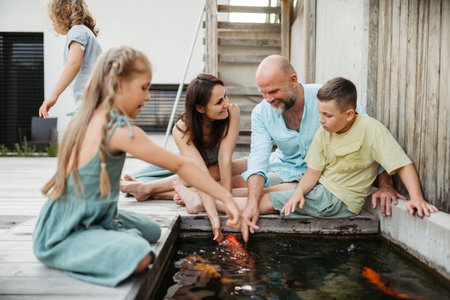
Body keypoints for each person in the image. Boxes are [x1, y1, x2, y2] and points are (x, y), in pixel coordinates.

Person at [33, 46, 255, 286]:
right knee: (141, 255)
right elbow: (181, 165)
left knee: (152, 231)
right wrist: (227, 197)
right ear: (120, 84)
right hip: (66, 229)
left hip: (94, 215)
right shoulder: (117, 131)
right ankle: (78, 245)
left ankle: (103, 232)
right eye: (144, 88)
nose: (148, 97)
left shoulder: (89, 116)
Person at [239, 55, 405, 241]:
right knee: (244, 183)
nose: (268, 99)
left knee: (265, 196)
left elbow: (371, 137)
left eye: (273, 91)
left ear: (293, 81)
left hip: (322, 181)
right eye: (263, 93)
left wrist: (385, 185)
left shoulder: (329, 100)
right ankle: (208, 198)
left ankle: (209, 201)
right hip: (287, 168)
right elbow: (258, 158)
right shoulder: (261, 112)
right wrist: (252, 204)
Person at [253, 77, 439, 220]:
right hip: (322, 188)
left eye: (327, 115)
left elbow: (402, 164)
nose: (320, 119)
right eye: (319, 113)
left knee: (267, 201)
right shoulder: (324, 131)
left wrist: (417, 198)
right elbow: (312, 172)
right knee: (267, 194)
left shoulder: (372, 130)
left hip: (339, 201)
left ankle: (231, 208)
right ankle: (226, 203)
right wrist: (299, 193)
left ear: (349, 114)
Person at [120, 74, 247, 241]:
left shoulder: (232, 112)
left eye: (225, 96)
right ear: (200, 108)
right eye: (218, 102)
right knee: (199, 176)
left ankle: (150, 190)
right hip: (188, 167)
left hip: (215, 167)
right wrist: (214, 217)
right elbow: (199, 173)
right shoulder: (182, 127)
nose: (226, 104)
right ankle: (149, 187)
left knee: (238, 169)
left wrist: (227, 201)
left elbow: (224, 158)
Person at [39, 0, 102, 118]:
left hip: (91, 101)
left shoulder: (77, 31)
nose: (54, 23)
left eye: (54, 18)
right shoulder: (84, 31)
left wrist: (54, 95)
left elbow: (74, 63)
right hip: (95, 99)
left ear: (66, 9)